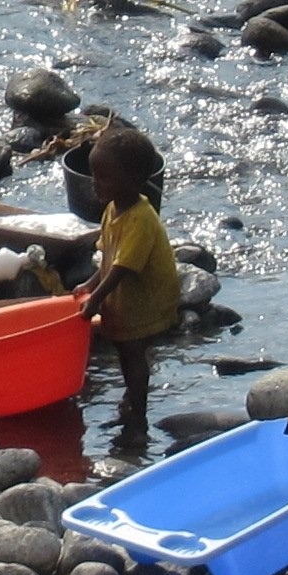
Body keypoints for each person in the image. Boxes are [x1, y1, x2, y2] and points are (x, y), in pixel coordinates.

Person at [76, 119, 179, 462]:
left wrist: (98, 298)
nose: (96, 184)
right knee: (123, 351)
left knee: (133, 351)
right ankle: (131, 396)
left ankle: (138, 412)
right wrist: (90, 283)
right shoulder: (111, 210)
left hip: (144, 299)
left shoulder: (141, 218)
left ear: (134, 180)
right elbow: (108, 255)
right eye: (95, 175)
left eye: (104, 177)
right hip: (125, 298)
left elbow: (123, 267)